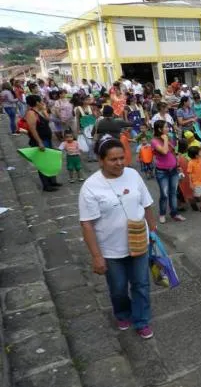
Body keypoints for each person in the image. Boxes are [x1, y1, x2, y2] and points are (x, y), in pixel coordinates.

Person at [78, 136, 157, 339]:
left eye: (122, 158)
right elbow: (86, 224)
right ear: (101, 160)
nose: (120, 163)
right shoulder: (90, 187)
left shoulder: (133, 175)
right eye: (113, 159)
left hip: (140, 243)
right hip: (111, 250)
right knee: (118, 288)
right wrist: (97, 256)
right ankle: (122, 313)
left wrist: (153, 233)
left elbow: (146, 205)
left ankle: (141, 320)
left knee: (141, 284)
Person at [151, 120, 185, 224]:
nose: (168, 129)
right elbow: (164, 151)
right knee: (164, 194)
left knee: (173, 193)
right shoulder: (154, 141)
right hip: (162, 172)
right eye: (165, 127)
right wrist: (165, 139)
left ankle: (174, 213)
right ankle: (162, 213)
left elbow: (173, 152)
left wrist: (178, 165)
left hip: (173, 170)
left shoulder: (169, 137)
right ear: (160, 129)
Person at [24, 95, 61, 191]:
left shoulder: (39, 111)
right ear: (37, 103)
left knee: (49, 160)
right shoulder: (31, 113)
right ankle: (46, 185)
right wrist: (39, 142)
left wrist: (44, 110)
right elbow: (32, 129)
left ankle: (52, 181)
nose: (43, 103)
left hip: (47, 139)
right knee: (43, 163)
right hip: (40, 141)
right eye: (41, 102)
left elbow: (48, 119)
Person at [187, 146, 201, 213]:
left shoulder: (200, 158)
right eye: (199, 152)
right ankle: (192, 202)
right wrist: (190, 183)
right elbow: (189, 174)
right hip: (196, 183)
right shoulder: (190, 163)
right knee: (197, 195)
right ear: (196, 155)